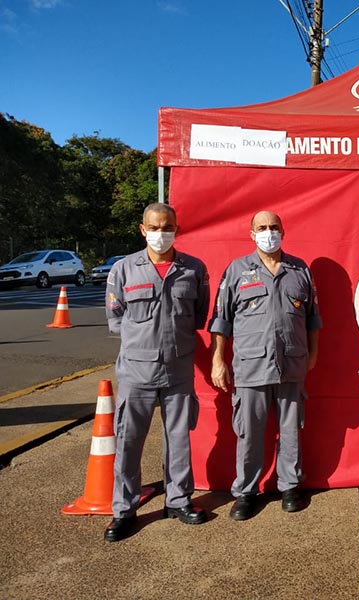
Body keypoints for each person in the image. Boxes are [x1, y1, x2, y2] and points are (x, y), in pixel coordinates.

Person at [104, 203, 210, 542]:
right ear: (142, 229)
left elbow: (198, 314)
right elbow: (116, 318)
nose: (160, 232)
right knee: (129, 442)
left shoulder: (193, 269)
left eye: (167, 226)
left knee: (178, 439)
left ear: (177, 229)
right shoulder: (123, 270)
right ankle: (124, 510)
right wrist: (144, 340)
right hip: (136, 370)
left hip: (178, 368)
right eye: (154, 226)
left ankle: (178, 501)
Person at [209, 210, 321, 520]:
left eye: (273, 227)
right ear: (251, 234)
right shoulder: (237, 270)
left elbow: (313, 318)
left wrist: (313, 354)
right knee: (249, 433)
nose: (268, 232)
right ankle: (246, 491)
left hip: (292, 363)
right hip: (250, 366)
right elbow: (221, 319)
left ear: (283, 231)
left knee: (291, 430)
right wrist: (218, 359)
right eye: (262, 228)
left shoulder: (300, 270)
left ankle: (289, 486)